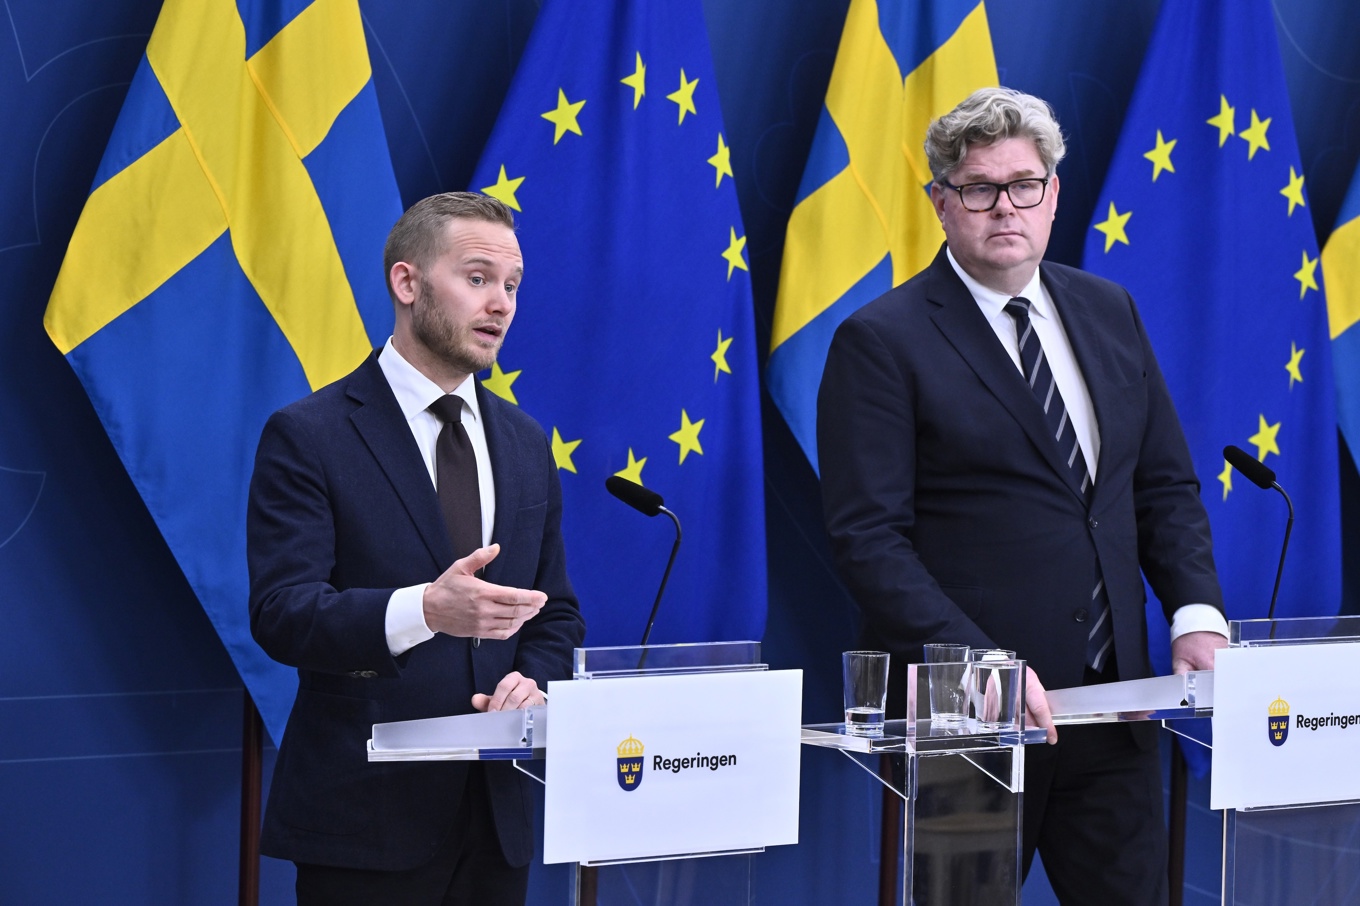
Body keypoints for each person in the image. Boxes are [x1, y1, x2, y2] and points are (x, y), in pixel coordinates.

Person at [816, 87, 1228, 904]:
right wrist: (983, 666)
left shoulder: (1109, 310)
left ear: (1053, 194)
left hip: (1113, 706)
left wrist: (1196, 615)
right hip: (970, 718)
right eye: (978, 188)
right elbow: (868, 538)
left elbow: (1162, 485)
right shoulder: (881, 340)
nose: (1005, 207)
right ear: (941, 204)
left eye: (1024, 184)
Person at [247, 191, 584, 905]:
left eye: (512, 285)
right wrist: (426, 609)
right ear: (407, 283)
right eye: (477, 277)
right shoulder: (310, 436)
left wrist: (536, 681)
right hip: (367, 820)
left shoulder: (525, 443)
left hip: (495, 821)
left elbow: (555, 613)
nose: (501, 304)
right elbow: (283, 613)